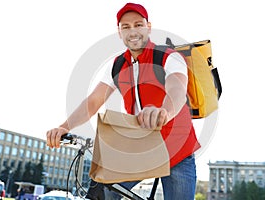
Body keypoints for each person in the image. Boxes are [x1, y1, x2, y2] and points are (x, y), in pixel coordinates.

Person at [46, 2, 200, 200]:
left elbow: (177, 88)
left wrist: (165, 111)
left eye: (138, 24)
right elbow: (93, 101)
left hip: (178, 149)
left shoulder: (168, 56)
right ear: (119, 32)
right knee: (101, 192)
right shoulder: (117, 65)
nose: (132, 31)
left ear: (148, 27)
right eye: (125, 27)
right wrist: (64, 127)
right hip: (140, 147)